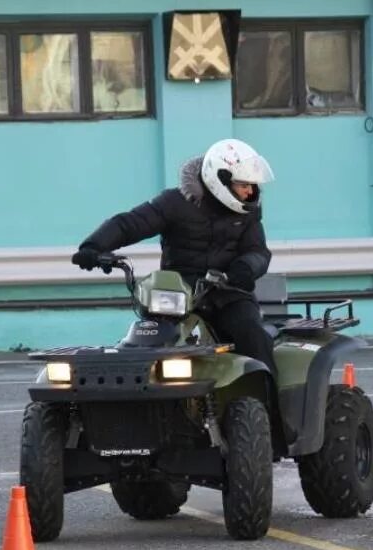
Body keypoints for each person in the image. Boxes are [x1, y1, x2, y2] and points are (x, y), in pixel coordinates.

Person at [71, 138, 277, 376]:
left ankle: (270, 407)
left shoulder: (249, 211)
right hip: (177, 294)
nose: (250, 191)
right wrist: (94, 246)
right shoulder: (175, 203)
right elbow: (132, 223)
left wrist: (244, 269)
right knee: (146, 342)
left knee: (251, 334)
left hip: (228, 292)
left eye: (252, 185)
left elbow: (258, 251)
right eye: (243, 185)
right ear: (220, 179)